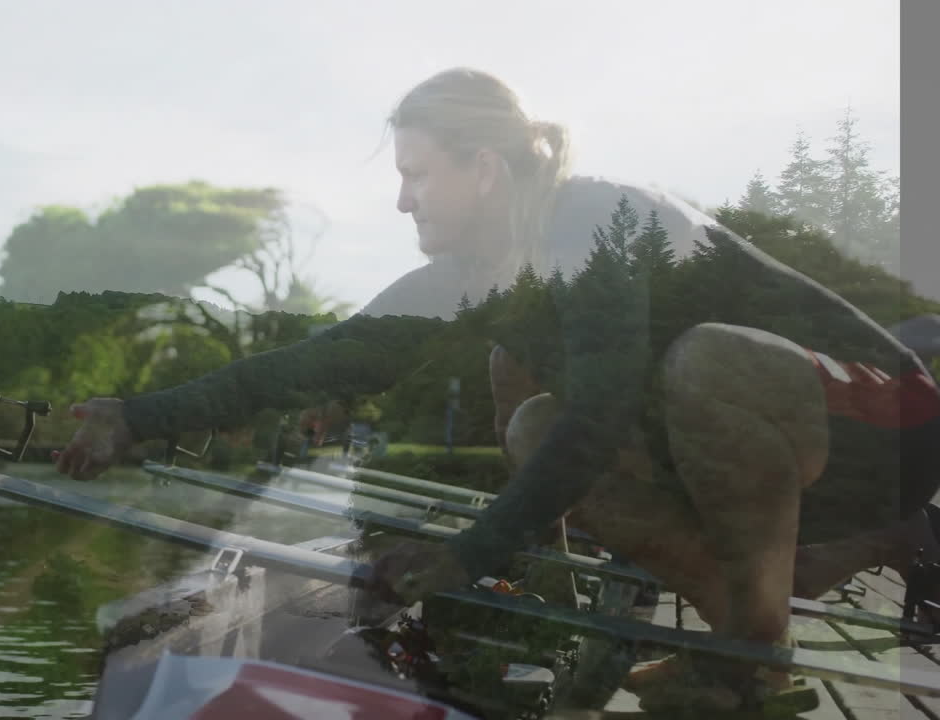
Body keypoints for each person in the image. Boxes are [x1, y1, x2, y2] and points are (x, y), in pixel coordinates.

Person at [54, 68, 940, 711]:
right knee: (531, 421)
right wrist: (136, 418)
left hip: (891, 432)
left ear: (483, 168)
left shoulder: (595, 223)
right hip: (774, 451)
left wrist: (467, 554)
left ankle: (754, 646)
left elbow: (601, 419)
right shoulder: (479, 275)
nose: (403, 201)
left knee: (694, 363)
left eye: (416, 174)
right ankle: (744, 647)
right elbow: (321, 359)